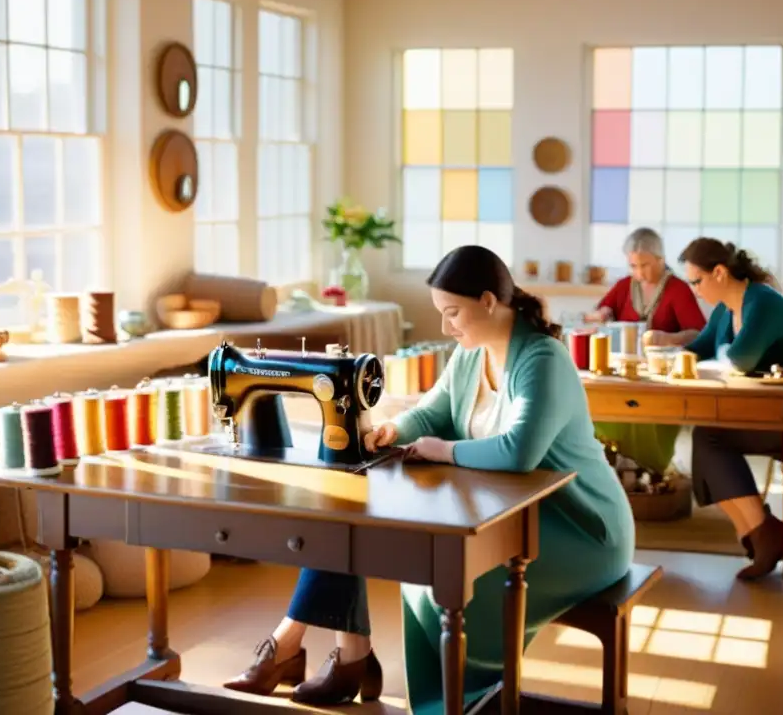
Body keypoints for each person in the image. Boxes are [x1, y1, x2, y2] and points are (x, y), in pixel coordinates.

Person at [225, 245, 636, 714]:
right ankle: (405, 684)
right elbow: (434, 410)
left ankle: (460, 698)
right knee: (388, 545)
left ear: (488, 301)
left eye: (453, 312)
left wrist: (444, 451)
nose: (446, 326)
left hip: (581, 527)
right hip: (512, 512)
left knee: (452, 577)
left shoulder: (542, 360)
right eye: (442, 314)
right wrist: (394, 430)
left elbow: (520, 452)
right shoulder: (471, 355)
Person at [679, 237, 783, 581]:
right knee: (707, 435)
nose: (694, 290)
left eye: (696, 281)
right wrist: (667, 348)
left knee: (711, 437)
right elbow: (699, 349)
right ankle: (760, 536)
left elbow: (741, 358)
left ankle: (765, 536)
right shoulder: (726, 310)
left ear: (719, 272)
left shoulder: (763, 302)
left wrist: (716, 355)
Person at [584, 227, 707, 474]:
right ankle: (615, 467)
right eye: (633, 266)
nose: (639, 273)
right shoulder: (623, 286)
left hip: (660, 377)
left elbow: (699, 333)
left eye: (645, 265)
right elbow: (602, 310)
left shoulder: (678, 290)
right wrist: (603, 314)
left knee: (648, 417)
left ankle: (650, 470)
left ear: (661, 259)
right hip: (623, 373)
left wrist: (668, 338)